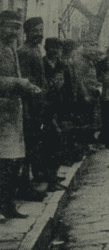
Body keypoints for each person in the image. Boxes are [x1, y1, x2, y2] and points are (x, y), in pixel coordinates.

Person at [0, 10, 42, 218]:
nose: (15, 31)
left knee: (12, 161)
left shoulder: (11, 49)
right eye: (11, 26)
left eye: (17, 27)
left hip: (11, 112)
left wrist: (27, 88)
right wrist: (19, 83)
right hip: (1, 114)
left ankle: (7, 205)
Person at [17, 16, 48, 201]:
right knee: (26, 147)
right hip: (28, 105)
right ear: (27, 32)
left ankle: (28, 183)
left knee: (33, 144)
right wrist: (28, 109)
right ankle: (23, 186)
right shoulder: (24, 52)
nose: (39, 34)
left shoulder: (36, 50)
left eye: (41, 30)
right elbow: (26, 83)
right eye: (35, 30)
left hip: (37, 104)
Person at [42, 37, 70, 191]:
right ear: (46, 48)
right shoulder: (42, 63)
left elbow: (67, 88)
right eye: (52, 47)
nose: (55, 51)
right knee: (50, 143)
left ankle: (53, 174)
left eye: (58, 48)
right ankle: (50, 179)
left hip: (59, 107)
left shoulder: (62, 65)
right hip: (46, 108)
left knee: (59, 143)